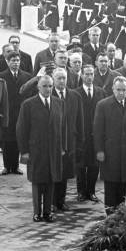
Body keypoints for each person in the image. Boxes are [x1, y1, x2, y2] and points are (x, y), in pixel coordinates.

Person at [18, 75, 65, 223]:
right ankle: (37, 212)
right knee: (38, 181)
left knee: (51, 179)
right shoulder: (28, 104)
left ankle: (47, 212)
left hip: (53, 149)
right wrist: (24, 151)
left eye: (50, 86)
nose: (48, 89)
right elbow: (21, 129)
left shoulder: (59, 103)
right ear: (38, 87)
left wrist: (62, 147)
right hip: (36, 149)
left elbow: (63, 127)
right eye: (45, 86)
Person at [94, 76, 126, 214]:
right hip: (110, 152)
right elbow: (97, 130)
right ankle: (110, 214)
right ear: (113, 89)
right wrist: (99, 150)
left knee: (124, 182)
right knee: (111, 183)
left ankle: (120, 212)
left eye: (124, 90)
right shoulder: (103, 105)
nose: (121, 93)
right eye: (118, 90)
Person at [52, 68, 84, 211]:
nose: (62, 81)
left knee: (65, 173)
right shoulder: (48, 94)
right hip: (53, 141)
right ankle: (51, 201)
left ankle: (61, 200)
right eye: (58, 78)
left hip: (70, 141)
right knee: (53, 172)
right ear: (53, 79)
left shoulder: (75, 96)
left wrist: (80, 141)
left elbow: (80, 120)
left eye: (64, 78)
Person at [0, 52, 31, 175]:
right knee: (7, 140)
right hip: (7, 112)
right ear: (7, 62)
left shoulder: (27, 76)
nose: (15, 63)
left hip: (21, 112)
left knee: (17, 139)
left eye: (17, 60)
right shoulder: (1, 76)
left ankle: (15, 166)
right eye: (13, 60)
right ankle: (6, 166)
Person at [75, 65, 106, 202]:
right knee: (80, 165)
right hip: (81, 134)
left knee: (94, 164)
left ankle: (91, 191)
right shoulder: (75, 93)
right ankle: (81, 192)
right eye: (86, 74)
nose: (89, 77)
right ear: (81, 75)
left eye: (91, 74)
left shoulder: (101, 92)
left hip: (96, 134)